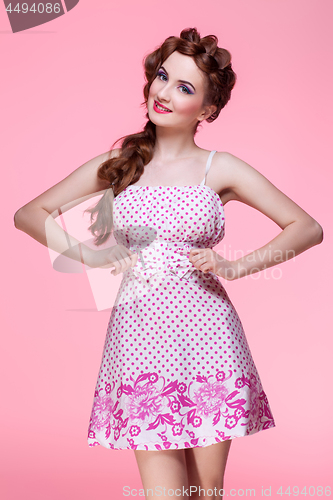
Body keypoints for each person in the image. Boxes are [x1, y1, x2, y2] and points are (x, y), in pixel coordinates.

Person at [14, 27, 323, 500]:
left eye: (184, 87)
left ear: (208, 109)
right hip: (140, 341)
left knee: (207, 493)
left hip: (210, 342)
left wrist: (234, 267)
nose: (164, 92)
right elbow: (28, 214)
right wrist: (90, 256)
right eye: (163, 76)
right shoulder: (121, 162)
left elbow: (307, 227)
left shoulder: (220, 168)